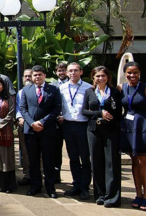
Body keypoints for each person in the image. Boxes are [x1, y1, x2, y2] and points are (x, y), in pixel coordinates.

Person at [118, 61, 146, 211]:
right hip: (128, 128)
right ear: (125, 74)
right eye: (129, 72)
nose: (132, 75)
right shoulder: (121, 88)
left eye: (135, 72)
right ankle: (138, 194)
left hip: (143, 128)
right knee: (134, 162)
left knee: (143, 162)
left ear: (139, 73)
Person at [82, 66, 122, 208]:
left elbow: (119, 112)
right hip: (94, 130)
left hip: (111, 130)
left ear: (108, 77)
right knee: (96, 162)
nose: (100, 78)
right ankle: (99, 195)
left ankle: (112, 197)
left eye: (103, 76)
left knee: (112, 163)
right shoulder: (89, 92)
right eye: (97, 76)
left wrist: (110, 116)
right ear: (93, 78)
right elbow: (84, 111)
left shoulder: (115, 92)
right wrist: (100, 113)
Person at [20, 65, 62, 198]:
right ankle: (35, 186)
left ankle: (50, 187)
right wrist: (32, 123)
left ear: (44, 75)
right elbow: (23, 109)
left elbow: (56, 109)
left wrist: (43, 122)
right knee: (33, 160)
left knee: (48, 159)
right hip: (31, 131)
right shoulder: (26, 90)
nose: (37, 77)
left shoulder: (53, 90)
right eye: (34, 75)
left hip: (47, 130)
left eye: (39, 74)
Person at [58, 62, 92, 200]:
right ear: (66, 73)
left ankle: (85, 187)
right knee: (73, 157)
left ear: (81, 72)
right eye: (70, 71)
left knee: (85, 158)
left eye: (76, 70)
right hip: (67, 125)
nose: (73, 73)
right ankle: (76, 184)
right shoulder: (62, 88)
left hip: (83, 125)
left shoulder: (89, 88)